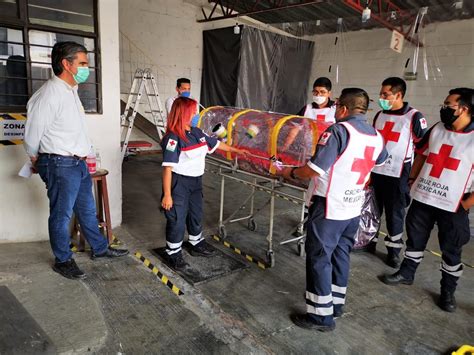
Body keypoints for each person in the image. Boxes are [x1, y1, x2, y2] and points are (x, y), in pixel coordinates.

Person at [278, 88, 387, 331]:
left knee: (319, 258)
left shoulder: (338, 131)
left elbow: (314, 170)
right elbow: (380, 161)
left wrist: (290, 172)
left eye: (337, 107)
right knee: (341, 255)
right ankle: (336, 304)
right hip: (353, 206)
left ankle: (320, 317)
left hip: (329, 206)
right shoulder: (376, 136)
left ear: (343, 109)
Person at [24, 42, 129, 280]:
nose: (86, 68)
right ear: (66, 64)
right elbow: (31, 136)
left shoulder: (71, 91)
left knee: (87, 210)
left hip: (77, 164)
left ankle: (100, 249)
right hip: (60, 164)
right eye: (82, 63)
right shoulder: (49, 94)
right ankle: (63, 260)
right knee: (61, 215)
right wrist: (37, 160)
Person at [382, 88, 473, 313]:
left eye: (448, 105)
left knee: (451, 248)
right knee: (415, 238)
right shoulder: (438, 129)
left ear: (464, 109)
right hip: (424, 196)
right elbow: (422, 154)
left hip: (453, 205)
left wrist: (467, 204)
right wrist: (411, 179)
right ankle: (407, 273)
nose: (443, 109)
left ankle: (448, 291)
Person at [161, 97, 248, 271]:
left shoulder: (197, 132)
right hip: (179, 183)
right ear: (183, 113)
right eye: (193, 112)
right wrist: (168, 195)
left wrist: (237, 151)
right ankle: (173, 252)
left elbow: (216, 144)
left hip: (196, 182)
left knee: (195, 213)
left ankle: (196, 242)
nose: (196, 115)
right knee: (177, 218)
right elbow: (167, 169)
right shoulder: (173, 138)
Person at [367, 77, 428, 268]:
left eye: (386, 94)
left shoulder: (415, 117)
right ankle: (369, 241)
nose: (381, 97)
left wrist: (412, 178)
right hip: (377, 172)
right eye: (381, 94)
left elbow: (423, 149)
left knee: (395, 215)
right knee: (373, 209)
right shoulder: (379, 115)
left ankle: (393, 252)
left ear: (398, 95)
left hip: (398, 174)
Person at [283, 77, 337, 227]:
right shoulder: (306, 109)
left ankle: (318, 222)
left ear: (329, 93)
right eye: (315, 91)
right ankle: (306, 222)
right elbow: (295, 129)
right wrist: (284, 148)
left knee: (321, 188)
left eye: (322, 92)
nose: (318, 95)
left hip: (327, 154)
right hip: (306, 152)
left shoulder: (336, 109)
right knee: (309, 190)